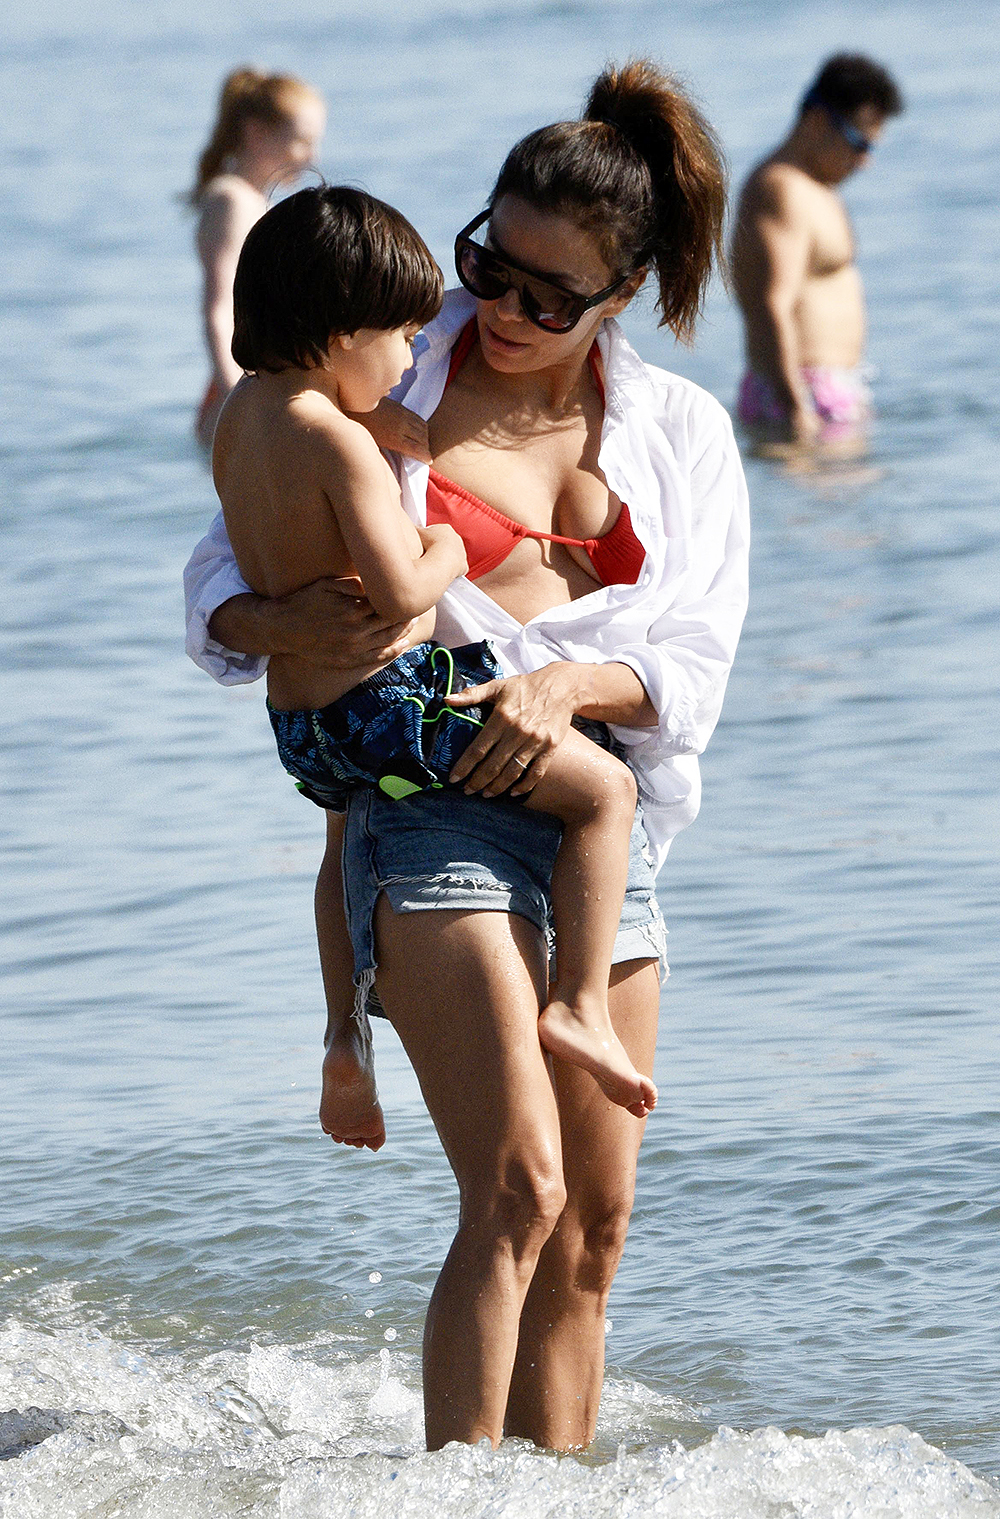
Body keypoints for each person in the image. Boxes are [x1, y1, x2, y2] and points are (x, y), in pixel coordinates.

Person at [185, 59, 749, 1451]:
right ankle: (461, 1498)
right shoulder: (394, 352)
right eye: (490, 262)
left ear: (617, 299)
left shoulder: (682, 437)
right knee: (515, 1192)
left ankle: (554, 1492)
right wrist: (276, 615)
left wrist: (569, 684)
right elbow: (216, 568)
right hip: (428, 806)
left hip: (605, 831)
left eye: (545, 297)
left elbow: (695, 665)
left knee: (592, 1235)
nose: (497, 307)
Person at [215, 184, 657, 1118]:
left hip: (301, 724)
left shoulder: (241, 419)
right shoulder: (336, 442)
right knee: (604, 793)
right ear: (341, 337)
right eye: (398, 337)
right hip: (386, 703)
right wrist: (452, 544)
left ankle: (343, 1028)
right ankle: (580, 1005)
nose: (413, 352)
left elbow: (266, 539)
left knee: (344, 840)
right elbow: (401, 592)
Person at [731, 53, 904, 453]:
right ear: (818, 120)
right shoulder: (780, 188)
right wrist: (796, 408)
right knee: (826, 515)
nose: (865, 161)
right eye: (859, 143)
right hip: (799, 393)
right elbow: (773, 304)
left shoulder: (816, 187)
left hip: (827, 389)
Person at [187, 67, 326, 449]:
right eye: (301, 141)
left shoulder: (251, 200)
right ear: (256, 132)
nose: (311, 155)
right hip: (236, 390)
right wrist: (239, 401)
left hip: (248, 386)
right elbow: (219, 310)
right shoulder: (232, 201)